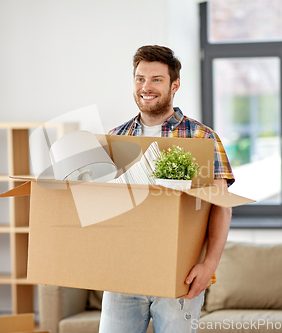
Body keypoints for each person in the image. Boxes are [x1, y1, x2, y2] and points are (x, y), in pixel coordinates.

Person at [99, 45, 235, 333]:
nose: (146, 87)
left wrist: (209, 265)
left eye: (156, 79)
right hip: (122, 275)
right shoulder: (115, 138)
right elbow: (103, 205)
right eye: (140, 79)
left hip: (180, 275)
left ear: (175, 85)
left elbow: (221, 206)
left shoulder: (201, 137)